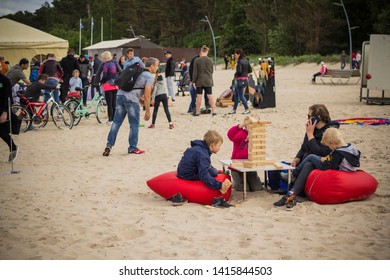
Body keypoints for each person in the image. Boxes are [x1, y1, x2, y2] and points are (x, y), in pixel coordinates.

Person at [273, 104, 340, 210]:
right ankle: (291, 192)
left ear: (318, 117)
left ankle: (290, 191)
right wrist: (297, 157)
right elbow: (304, 147)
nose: (308, 119)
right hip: (305, 161)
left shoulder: (330, 132)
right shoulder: (311, 128)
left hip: (318, 163)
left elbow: (321, 153)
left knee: (309, 163)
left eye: (310, 116)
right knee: (302, 162)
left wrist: (310, 135)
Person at [102, 57, 159, 156]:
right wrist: (148, 111)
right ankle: (132, 148)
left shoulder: (138, 71)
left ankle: (109, 145)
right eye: (157, 66)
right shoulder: (149, 76)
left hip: (120, 95)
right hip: (131, 99)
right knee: (134, 124)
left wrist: (139, 100)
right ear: (152, 66)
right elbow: (147, 95)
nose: (157, 68)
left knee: (116, 123)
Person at [176, 130, 232, 204]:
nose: (219, 148)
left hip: (181, 171)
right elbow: (203, 175)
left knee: (213, 171)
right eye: (219, 146)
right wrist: (220, 185)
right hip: (186, 175)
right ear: (213, 144)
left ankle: (213, 170)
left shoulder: (199, 148)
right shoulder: (203, 155)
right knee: (213, 173)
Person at [227, 116, 263, 192]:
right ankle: (234, 183)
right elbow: (230, 135)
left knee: (257, 188)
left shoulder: (257, 136)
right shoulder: (241, 133)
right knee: (244, 189)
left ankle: (246, 182)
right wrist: (241, 125)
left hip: (250, 168)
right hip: (237, 168)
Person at [94, 51, 122, 124]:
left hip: (108, 86)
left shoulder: (106, 65)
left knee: (109, 104)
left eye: (103, 57)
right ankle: (115, 119)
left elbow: (105, 76)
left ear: (105, 58)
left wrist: (101, 81)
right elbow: (121, 72)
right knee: (114, 103)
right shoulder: (114, 63)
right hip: (115, 86)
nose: (102, 59)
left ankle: (110, 120)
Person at [0, 63, 18, 162]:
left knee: (2, 132)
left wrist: (5, 112)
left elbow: (8, 98)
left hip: (1, 109)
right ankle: (13, 147)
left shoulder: (4, 80)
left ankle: (13, 147)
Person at [192, 45, 216, 116]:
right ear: (207, 51)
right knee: (210, 96)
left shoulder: (197, 60)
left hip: (199, 81)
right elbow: (212, 71)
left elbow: (195, 72)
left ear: (201, 51)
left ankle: (197, 112)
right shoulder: (210, 60)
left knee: (199, 96)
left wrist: (194, 81)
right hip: (208, 80)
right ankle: (214, 111)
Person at [229, 49, 251, 115]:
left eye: (235, 55)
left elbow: (239, 71)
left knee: (241, 95)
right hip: (245, 79)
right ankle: (234, 109)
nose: (235, 56)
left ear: (239, 55)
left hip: (240, 80)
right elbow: (250, 70)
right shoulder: (246, 60)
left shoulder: (239, 61)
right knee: (236, 94)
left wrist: (236, 74)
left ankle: (247, 109)